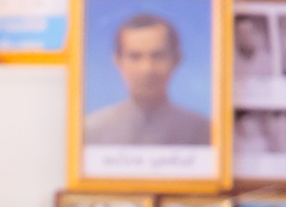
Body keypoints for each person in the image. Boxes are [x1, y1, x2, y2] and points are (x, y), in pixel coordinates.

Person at [82, 13, 214, 146]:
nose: (147, 69)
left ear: (176, 60)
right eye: (135, 56)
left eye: (158, 56)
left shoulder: (206, 132)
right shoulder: (90, 131)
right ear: (117, 61)